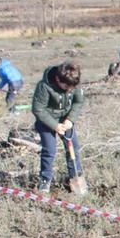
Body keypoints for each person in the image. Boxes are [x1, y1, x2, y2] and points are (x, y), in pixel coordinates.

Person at [31, 61, 85, 193]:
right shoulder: (44, 86)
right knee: (49, 150)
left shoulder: (73, 83)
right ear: (57, 79)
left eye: (72, 87)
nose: (70, 90)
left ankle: (75, 177)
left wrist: (70, 119)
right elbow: (38, 109)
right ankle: (45, 180)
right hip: (46, 121)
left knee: (73, 149)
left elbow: (79, 101)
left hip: (65, 119)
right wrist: (54, 125)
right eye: (67, 86)